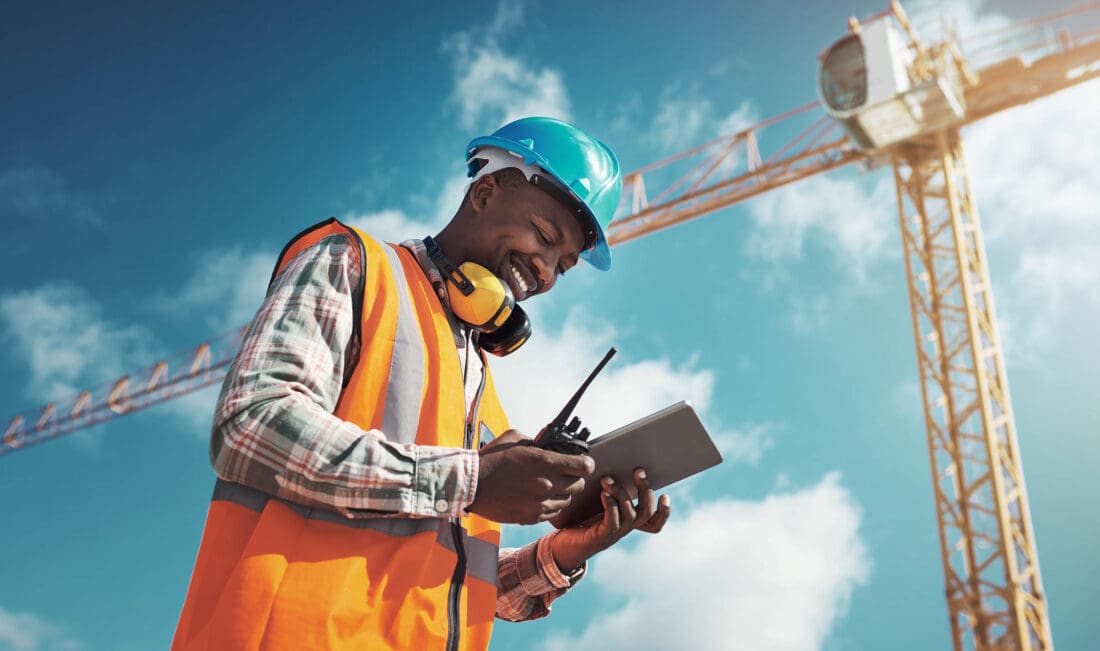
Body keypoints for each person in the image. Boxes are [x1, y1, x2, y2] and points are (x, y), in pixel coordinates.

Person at [171, 117, 672, 650]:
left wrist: (569, 549)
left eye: (563, 266)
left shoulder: (480, 388)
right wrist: (472, 480)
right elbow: (251, 425)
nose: (546, 272)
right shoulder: (354, 264)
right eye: (545, 237)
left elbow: (453, 582)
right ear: (484, 192)